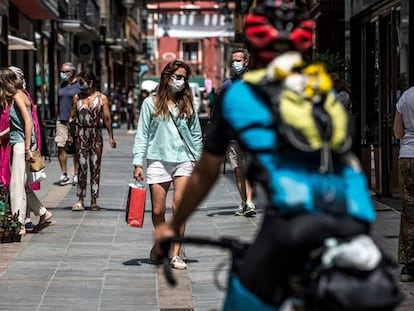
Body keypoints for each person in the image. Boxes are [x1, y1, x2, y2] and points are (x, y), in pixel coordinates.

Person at [154, 0, 376, 308]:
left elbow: (205, 173)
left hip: (293, 223)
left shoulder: (240, 94)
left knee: (246, 293)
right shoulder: (325, 93)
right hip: (355, 222)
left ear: (253, 51)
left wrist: (172, 224)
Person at [132, 60, 203, 270]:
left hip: (184, 159)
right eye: (178, 76)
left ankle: (175, 254)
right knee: (157, 209)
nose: (181, 81)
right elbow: (142, 134)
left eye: (184, 78)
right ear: (167, 77)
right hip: (158, 159)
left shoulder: (188, 102)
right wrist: (138, 162)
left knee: (179, 207)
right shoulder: (150, 103)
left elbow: (196, 134)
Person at [0, 68, 53, 235]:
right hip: (21, 143)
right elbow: (19, 126)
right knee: (21, 183)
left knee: (16, 186)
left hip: (20, 146)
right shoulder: (22, 94)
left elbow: (28, 123)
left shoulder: (16, 96)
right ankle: (43, 212)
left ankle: (19, 224)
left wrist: (27, 148)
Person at [68, 71, 116, 211]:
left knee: (95, 166)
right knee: (82, 167)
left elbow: (107, 118)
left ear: (91, 82)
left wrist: (111, 136)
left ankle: (94, 200)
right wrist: (70, 135)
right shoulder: (77, 98)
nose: (79, 85)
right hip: (81, 133)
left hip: (96, 134)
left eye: (82, 82)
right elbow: (72, 116)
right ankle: (80, 199)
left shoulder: (102, 98)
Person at [221, 47, 256, 217]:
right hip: (232, 138)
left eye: (239, 60)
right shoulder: (227, 85)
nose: (235, 63)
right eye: (233, 60)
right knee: (238, 172)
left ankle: (249, 202)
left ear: (246, 62)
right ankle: (243, 201)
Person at [393, 86, 414, 282]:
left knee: (409, 209)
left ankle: (409, 265)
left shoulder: (406, 97)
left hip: (408, 157)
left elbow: (398, 132)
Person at [55, 62, 80, 186]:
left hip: (75, 121)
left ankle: (76, 174)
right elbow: (58, 101)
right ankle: (64, 174)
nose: (62, 74)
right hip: (62, 120)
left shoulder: (79, 85)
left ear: (71, 72)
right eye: (61, 71)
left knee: (76, 147)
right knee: (60, 145)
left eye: (64, 72)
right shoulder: (61, 85)